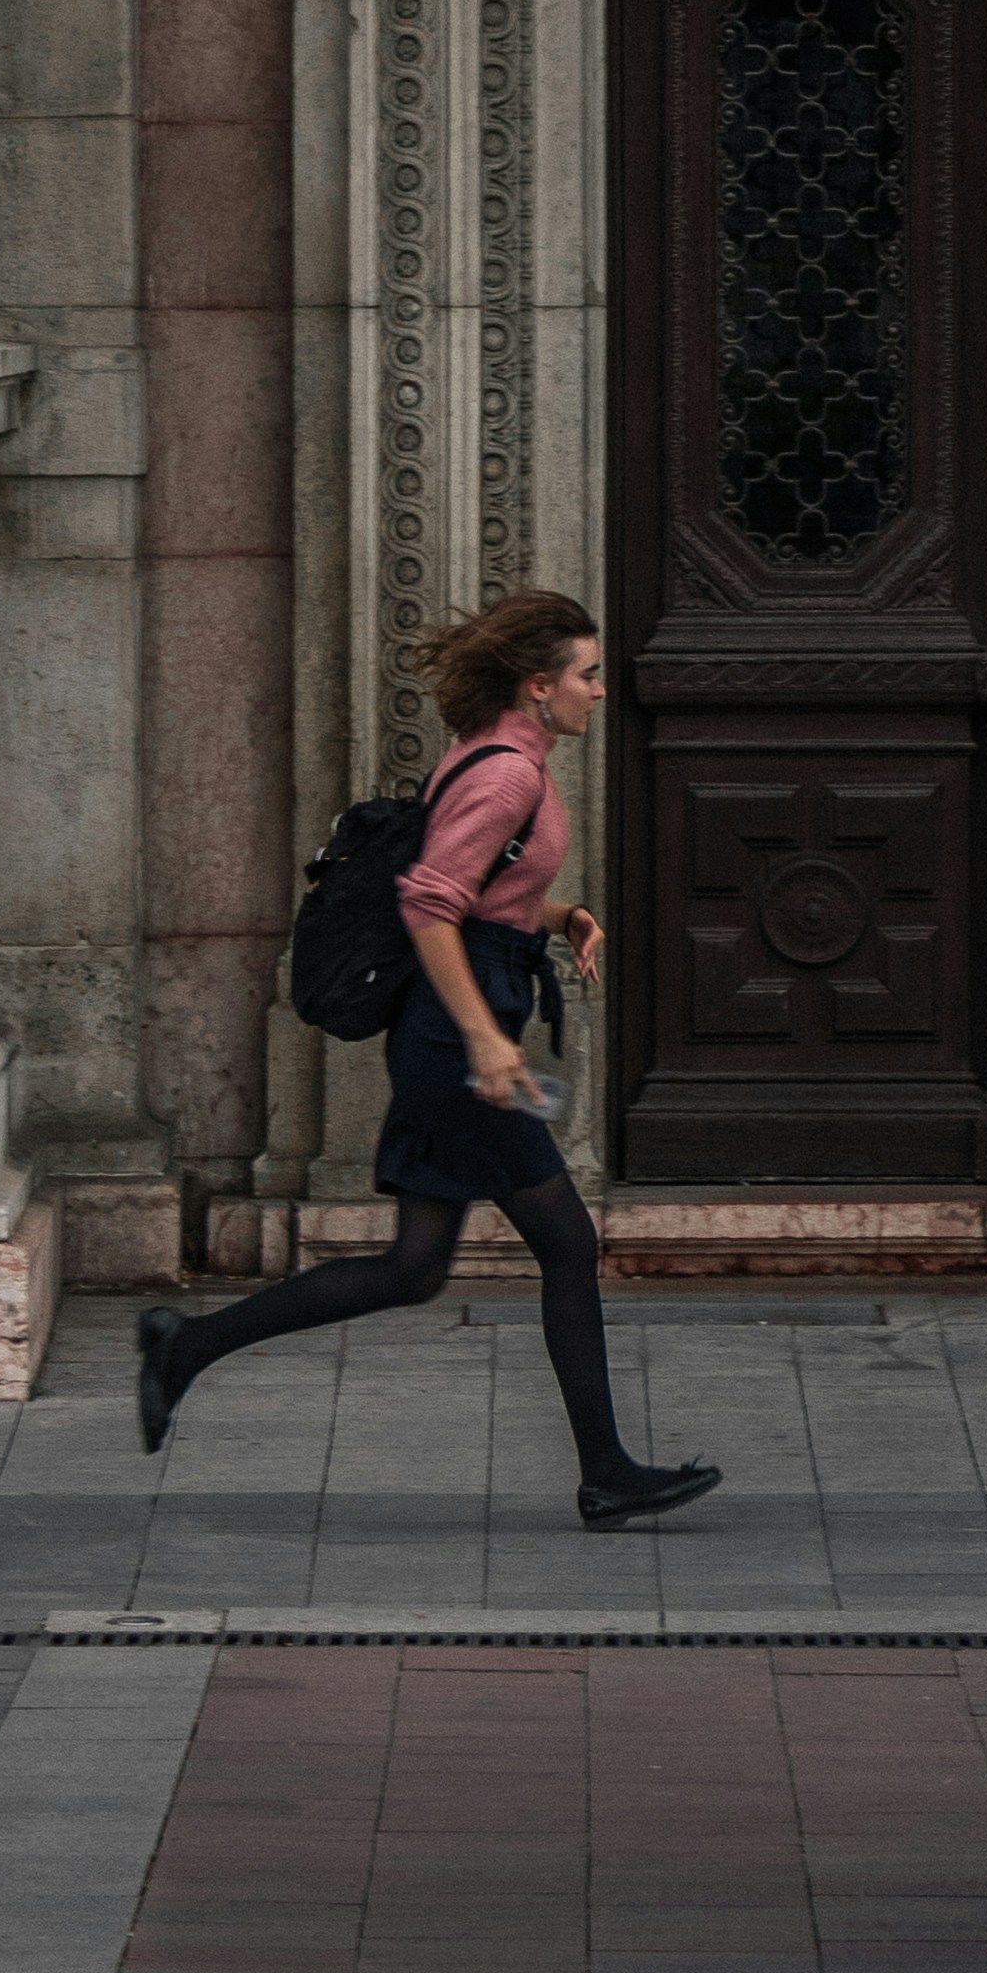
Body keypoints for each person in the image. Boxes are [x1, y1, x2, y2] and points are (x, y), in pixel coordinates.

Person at [136, 592, 721, 1531]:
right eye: (586, 674)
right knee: (568, 1245)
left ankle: (185, 1347)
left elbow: (482, 894)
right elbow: (430, 903)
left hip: (451, 1024)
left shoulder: (494, 753)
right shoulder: (506, 775)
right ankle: (607, 1472)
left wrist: (559, 915)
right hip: (455, 1041)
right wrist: (485, 1039)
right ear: (538, 686)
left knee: (413, 1267)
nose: (599, 690)